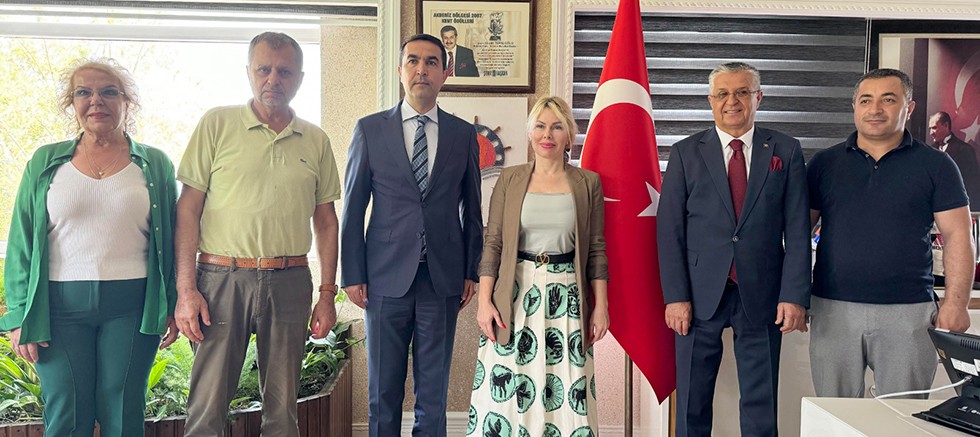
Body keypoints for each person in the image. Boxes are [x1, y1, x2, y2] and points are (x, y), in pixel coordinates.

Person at [174, 32, 341, 436]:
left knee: (282, 411)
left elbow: (326, 222)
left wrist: (326, 294)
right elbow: (188, 210)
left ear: (299, 78)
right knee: (208, 407)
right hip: (221, 280)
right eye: (263, 69)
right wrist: (186, 290)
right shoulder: (217, 124)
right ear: (248, 72)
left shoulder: (315, 139)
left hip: (290, 281)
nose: (273, 79)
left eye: (284, 72)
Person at [0, 58, 179, 436]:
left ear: (127, 101)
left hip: (132, 307)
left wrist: (174, 303)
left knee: (123, 407)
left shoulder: (154, 163)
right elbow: (21, 243)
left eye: (109, 92)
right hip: (57, 309)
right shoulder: (45, 162)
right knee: (66, 408)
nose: (96, 100)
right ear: (72, 103)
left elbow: (172, 239)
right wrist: (18, 316)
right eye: (84, 92)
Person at [658, 61, 811, 437]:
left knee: (761, 403)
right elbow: (670, 231)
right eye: (723, 94)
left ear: (759, 97)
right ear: (710, 101)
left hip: (761, 293)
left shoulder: (785, 150)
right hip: (697, 297)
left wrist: (794, 296)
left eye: (742, 92)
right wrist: (675, 297)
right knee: (692, 401)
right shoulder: (685, 153)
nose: (733, 101)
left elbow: (797, 230)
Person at [341, 33, 482, 437]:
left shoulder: (462, 134)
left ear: (445, 72)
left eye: (432, 62)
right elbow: (353, 207)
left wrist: (470, 270)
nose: (422, 69)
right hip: (383, 279)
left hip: (443, 279)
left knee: (433, 396)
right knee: (382, 393)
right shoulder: (370, 129)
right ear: (401, 70)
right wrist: (353, 274)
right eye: (414, 61)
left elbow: (472, 209)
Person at [808, 69, 973, 399]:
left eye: (888, 99)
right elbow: (798, 233)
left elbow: (958, 235)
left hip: (909, 312)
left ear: (908, 108)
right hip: (832, 309)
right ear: (854, 106)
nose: (875, 109)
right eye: (865, 100)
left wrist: (957, 304)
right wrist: (793, 296)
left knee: (903, 417)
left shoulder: (937, 166)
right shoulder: (823, 164)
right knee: (833, 415)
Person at [467, 95, 608, 437]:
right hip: (515, 295)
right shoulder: (510, 179)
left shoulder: (587, 183)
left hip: (568, 298)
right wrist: (484, 302)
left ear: (569, 135)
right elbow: (494, 242)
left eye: (557, 127)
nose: (548, 134)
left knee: (565, 382)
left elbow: (596, 249)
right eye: (541, 126)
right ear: (530, 133)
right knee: (511, 380)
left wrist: (601, 306)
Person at [929, 111, 980, 211]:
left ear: (946, 125)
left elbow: (973, 184)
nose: (931, 132)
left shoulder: (965, 150)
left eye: (934, 128)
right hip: (934, 209)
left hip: (957, 209)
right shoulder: (930, 151)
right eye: (930, 128)